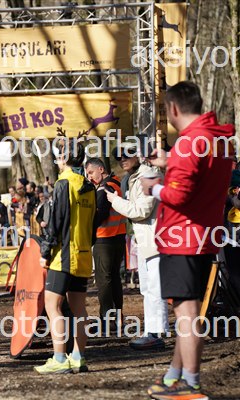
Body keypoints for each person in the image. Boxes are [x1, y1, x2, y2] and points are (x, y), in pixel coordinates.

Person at [142, 81, 234, 398]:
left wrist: (153, 187)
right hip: (203, 235)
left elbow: (179, 196)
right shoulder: (216, 139)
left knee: (187, 315)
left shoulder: (189, 143)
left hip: (182, 238)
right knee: (188, 312)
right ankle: (175, 376)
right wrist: (172, 162)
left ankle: (191, 384)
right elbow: (203, 173)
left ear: (173, 109)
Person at [34, 137, 96, 374]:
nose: (57, 160)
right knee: (79, 309)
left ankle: (59, 358)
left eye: (59, 156)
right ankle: (78, 358)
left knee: (53, 306)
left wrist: (45, 251)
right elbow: (93, 224)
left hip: (64, 255)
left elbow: (56, 222)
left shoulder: (63, 183)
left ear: (65, 158)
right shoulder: (89, 186)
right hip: (83, 254)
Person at [107, 142, 169, 349]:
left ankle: (156, 333)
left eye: (127, 154)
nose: (122, 159)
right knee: (147, 288)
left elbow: (141, 211)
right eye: (119, 157)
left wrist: (114, 200)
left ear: (138, 155)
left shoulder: (149, 175)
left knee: (156, 288)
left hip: (155, 240)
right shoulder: (131, 178)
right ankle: (151, 330)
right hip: (143, 240)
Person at [85, 158, 127, 328]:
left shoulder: (103, 188)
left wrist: (86, 230)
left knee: (103, 281)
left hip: (104, 239)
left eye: (91, 172)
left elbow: (99, 214)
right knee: (114, 278)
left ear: (101, 169)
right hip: (119, 237)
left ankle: (107, 320)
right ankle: (117, 317)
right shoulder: (117, 182)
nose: (89, 177)